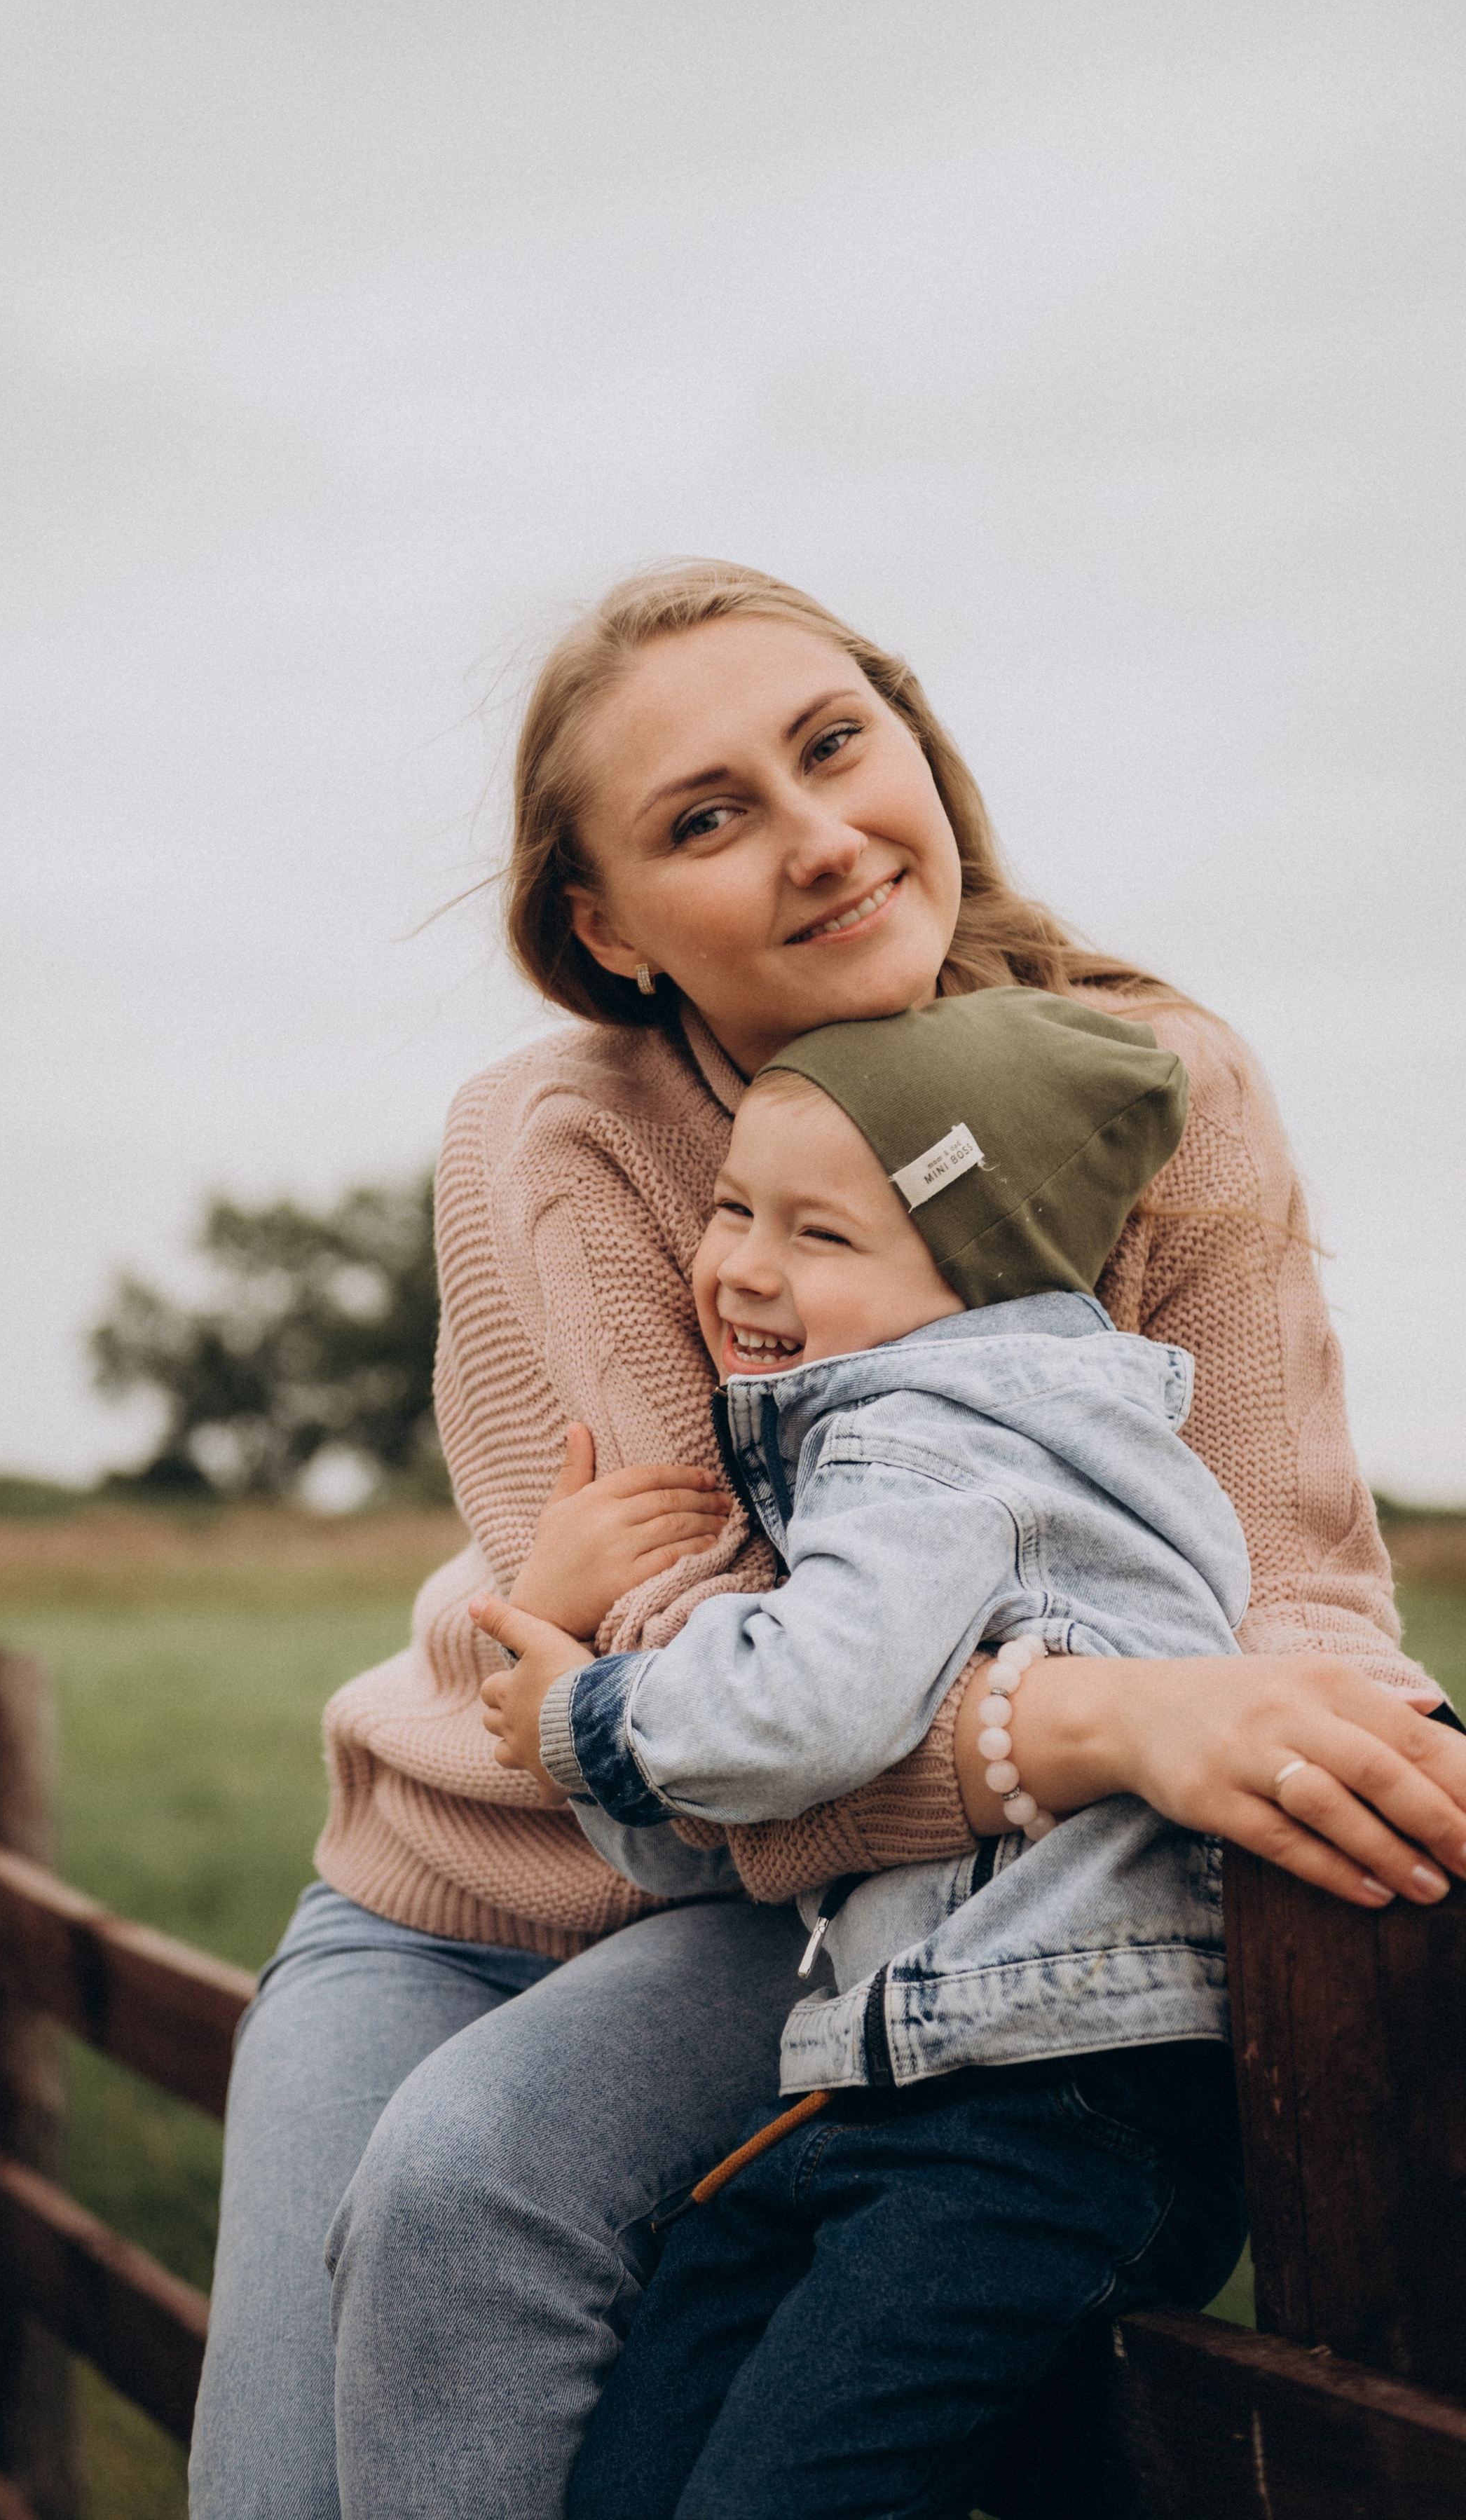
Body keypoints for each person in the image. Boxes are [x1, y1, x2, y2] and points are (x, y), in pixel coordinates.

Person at [187, 563, 1466, 2520]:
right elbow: (709, 1673)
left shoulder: (1151, 1086)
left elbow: (1289, 1569)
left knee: (473, 2184)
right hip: (484, 1880)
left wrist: (1346, 1751)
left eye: (833, 745)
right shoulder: (559, 1136)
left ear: (914, 739)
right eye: (708, 816)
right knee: (286, 2485)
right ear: (603, 925)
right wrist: (1108, 1730)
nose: (819, 840)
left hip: (824, 1916)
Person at [477, 988, 1254, 2519]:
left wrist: (587, 1710)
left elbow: (795, 1712)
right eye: (730, 1206)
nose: (743, 1267)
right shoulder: (929, 1437)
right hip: (901, 2084)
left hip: (1045, 2104)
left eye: (820, 1236)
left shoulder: (928, 1446)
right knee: (644, 2461)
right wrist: (604, 1749)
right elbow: (735, 1799)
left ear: (968, 1283)